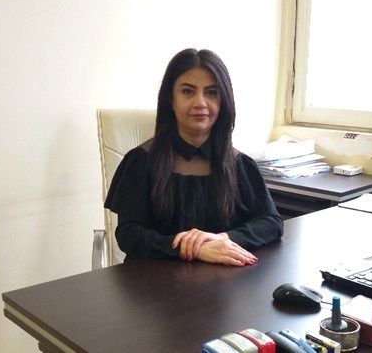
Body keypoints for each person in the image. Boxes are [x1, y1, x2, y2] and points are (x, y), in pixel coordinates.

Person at [105, 48, 283, 266]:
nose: (200, 102)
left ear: (224, 100)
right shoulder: (141, 161)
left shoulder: (239, 164)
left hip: (222, 280)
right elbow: (129, 235)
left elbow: (271, 222)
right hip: (154, 279)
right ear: (171, 99)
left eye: (211, 92)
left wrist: (223, 239)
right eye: (188, 91)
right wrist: (191, 248)